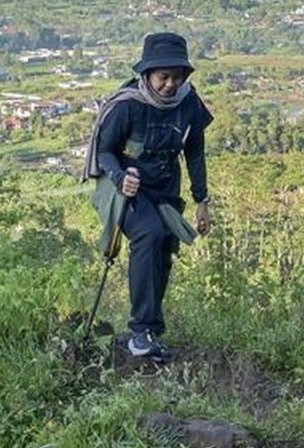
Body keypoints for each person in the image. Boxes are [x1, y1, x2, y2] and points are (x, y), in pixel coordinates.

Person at [82, 32, 214, 361]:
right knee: (149, 233)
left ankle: (151, 330)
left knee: (165, 244)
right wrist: (120, 177)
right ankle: (140, 331)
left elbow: (194, 151)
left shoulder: (188, 102)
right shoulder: (128, 105)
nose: (170, 84)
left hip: (164, 185)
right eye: (163, 77)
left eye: (177, 77)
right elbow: (105, 151)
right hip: (125, 186)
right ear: (147, 74)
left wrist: (202, 200)